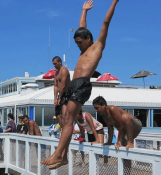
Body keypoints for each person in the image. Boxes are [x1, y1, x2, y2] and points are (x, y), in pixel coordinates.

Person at [41, 0, 121, 169]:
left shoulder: (97, 47)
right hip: (74, 85)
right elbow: (82, 27)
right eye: (76, 42)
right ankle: (63, 157)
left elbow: (106, 22)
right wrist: (84, 11)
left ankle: (58, 154)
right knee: (64, 120)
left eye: (79, 42)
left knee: (69, 119)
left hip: (83, 84)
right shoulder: (83, 48)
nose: (78, 46)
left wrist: (114, 2)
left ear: (88, 39)